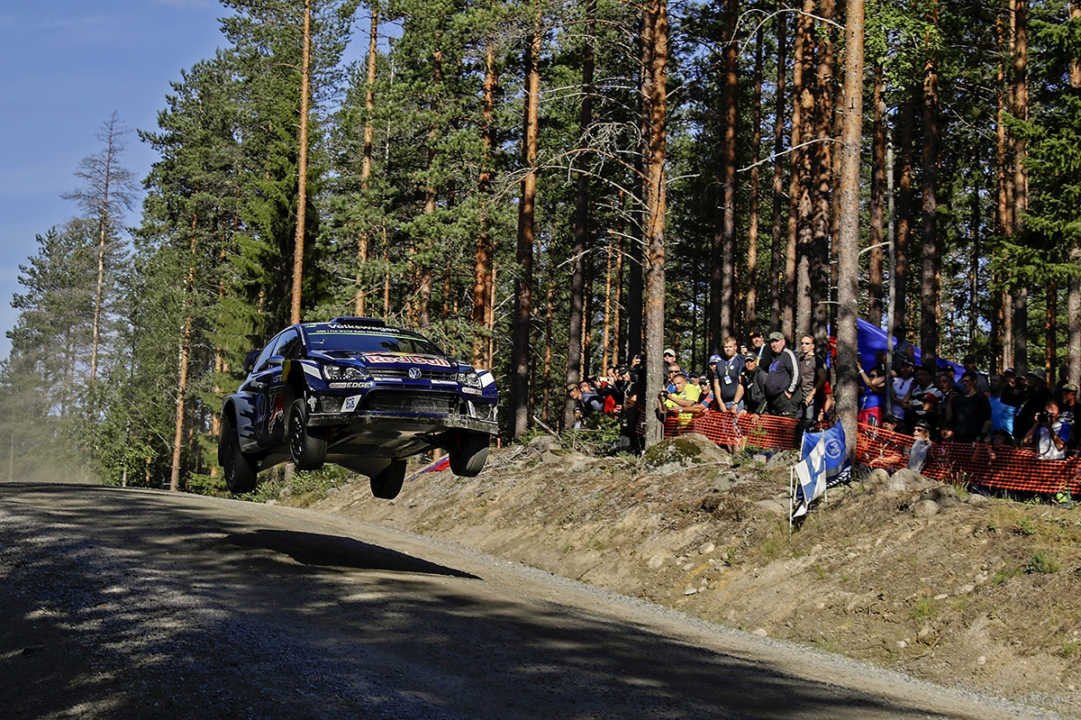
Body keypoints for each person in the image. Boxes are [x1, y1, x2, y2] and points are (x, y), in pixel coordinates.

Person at [942, 371, 991, 443]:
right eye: (963, 381)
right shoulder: (958, 399)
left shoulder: (981, 398)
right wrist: (950, 401)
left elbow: (987, 419)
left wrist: (982, 435)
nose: (964, 383)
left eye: (967, 381)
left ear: (974, 382)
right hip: (958, 438)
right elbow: (949, 418)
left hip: (975, 438)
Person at [763, 331, 801, 418]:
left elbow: (796, 374)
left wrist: (789, 391)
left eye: (776, 341)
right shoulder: (775, 358)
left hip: (786, 401)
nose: (774, 344)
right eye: (772, 342)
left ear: (783, 342)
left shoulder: (788, 354)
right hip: (774, 402)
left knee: (788, 429)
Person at [797, 335, 826, 429]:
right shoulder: (800, 359)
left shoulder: (817, 360)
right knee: (798, 423)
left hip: (812, 398)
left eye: (807, 343)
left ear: (813, 346)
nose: (803, 345)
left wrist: (811, 394)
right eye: (802, 343)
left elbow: (822, 378)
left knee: (810, 423)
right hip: (799, 396)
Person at [711, 337, 744, 413]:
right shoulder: (720, 363)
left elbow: (742, 383)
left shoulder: (741, 360)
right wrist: (720, 403)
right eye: (726, 347)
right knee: (725, 425)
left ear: (735, 347)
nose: (728, 349)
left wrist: (735, 403)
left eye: (730, 347)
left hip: (738, 403)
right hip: (723, 403)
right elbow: (716, 384)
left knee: (737, 424)